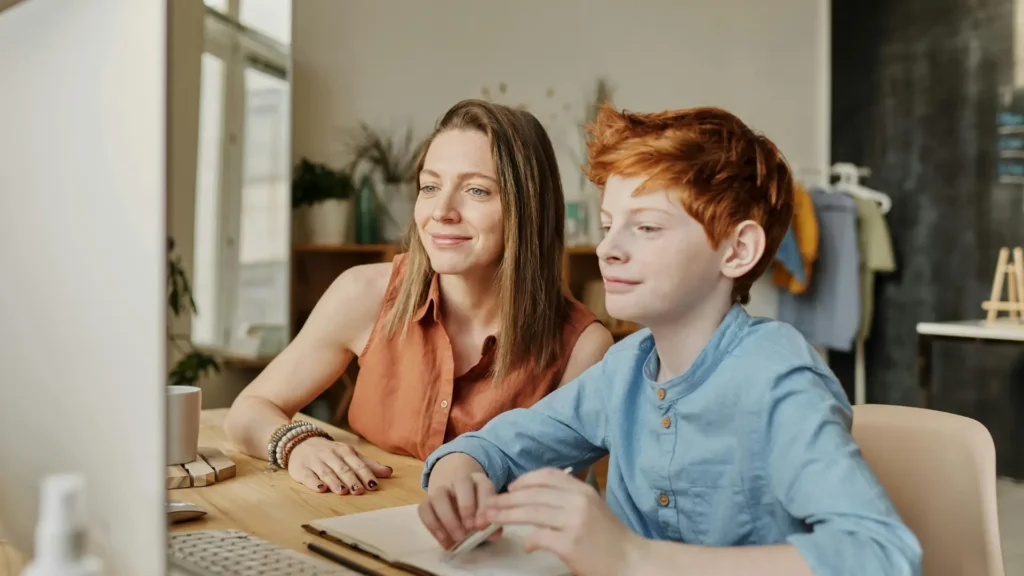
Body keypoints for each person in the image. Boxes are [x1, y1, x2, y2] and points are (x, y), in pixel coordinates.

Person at [418, 105, 923, 576]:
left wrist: (634, 556)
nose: (608, 250)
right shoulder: (625, 369)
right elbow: (495, 446)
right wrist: (455, 482)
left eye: (648, 228)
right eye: (608, 225)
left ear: (737, 249)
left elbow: (881, 553)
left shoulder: (778, 378)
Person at [224, 99, 613, 497]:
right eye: (430, 187)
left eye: (476, 190)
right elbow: (248, 410)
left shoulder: (582, 347)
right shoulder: (363, 293)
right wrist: (298, 444)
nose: (441, 211)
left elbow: (556, 500)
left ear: (528, 208)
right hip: (345, 530)